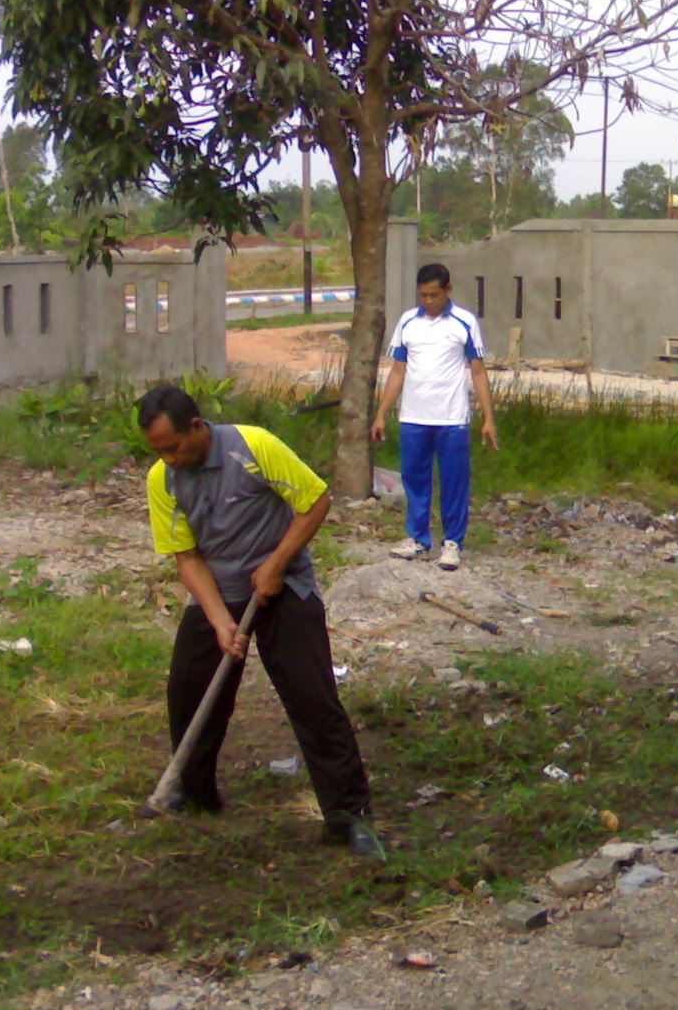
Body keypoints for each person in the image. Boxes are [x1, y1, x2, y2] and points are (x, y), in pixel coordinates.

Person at [138, 384, 382, 859]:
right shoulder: (161, 479)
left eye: (173, 447)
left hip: (283, 585)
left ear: (195, 427)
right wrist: (218, 619)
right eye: (157, 451)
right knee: (189, 692)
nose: (168, 458)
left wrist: (276, 564)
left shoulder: (253, 447)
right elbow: (186, 557)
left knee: (313, 700)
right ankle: (195, 793)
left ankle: (349, 818)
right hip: (218, 590)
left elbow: (315, 500)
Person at [372, 262, 499, 570]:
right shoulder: (407, 323)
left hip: (452, 416)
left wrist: (488, 418)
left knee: (454, 480)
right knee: (415, 478)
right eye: (423, 296)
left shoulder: (464, 322)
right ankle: (417, 539)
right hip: (414, 416)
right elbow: (397, 370)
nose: (428, 302)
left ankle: (452, 543)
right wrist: (380, 414)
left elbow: (478, 371)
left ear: (448, 290)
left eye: (434, 295)